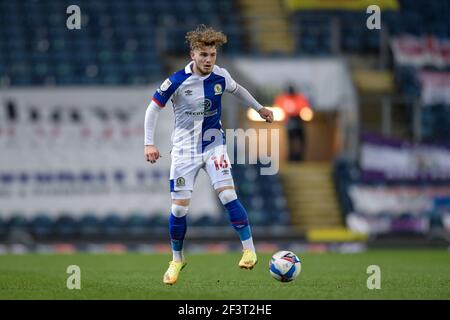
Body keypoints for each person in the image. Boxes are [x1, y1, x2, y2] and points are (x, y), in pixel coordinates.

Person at [144, 25, 274, 285]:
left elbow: (239, 91)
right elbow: (152, 109)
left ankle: (249, 249)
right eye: (203, 55)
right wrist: (149, 144)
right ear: (192, 54)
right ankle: (177, 259)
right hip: (183, 152)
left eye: (212, 55)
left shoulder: (221, 76)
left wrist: (260, 109)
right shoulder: (176, 81)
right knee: (179, 211)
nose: (208, 60)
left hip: (213, 145)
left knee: (227, 194)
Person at [274, 85, 311, 161]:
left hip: (299, 120)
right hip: (289, 121)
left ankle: (298, 158)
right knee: (291, 141)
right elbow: (279, 107)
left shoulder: (299, 98)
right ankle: (291, 157)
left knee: (300, 141)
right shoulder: (283, 99)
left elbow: (305, 107)